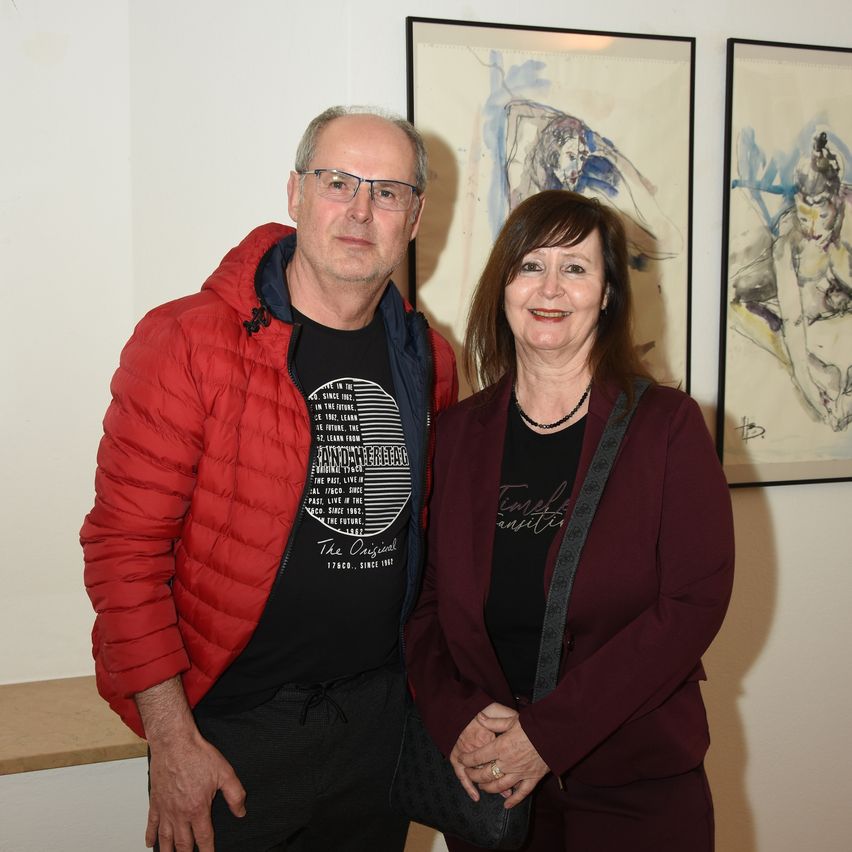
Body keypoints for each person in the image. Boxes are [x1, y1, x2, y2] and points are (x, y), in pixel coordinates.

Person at [80, 105, 458, 852]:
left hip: (376, 728)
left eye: (387, 191)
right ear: (294, 194)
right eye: (337, 181)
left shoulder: (430, 359)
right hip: (228, 734)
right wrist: (172, 740)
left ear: (413, 218)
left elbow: (438, 543)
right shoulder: (187, 341)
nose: (359, 209)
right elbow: (124, 552)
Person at [404, 190, 734, 850]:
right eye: (530, 266)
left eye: (576, 268)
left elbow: (692, 605)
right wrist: (457, 718)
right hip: (496, 793)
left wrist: (547, 736)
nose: (549, 287)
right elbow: (424, 603)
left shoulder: (666, 426)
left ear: (608, 293)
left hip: (634, 791)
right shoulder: (459, 433)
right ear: (503, 287)